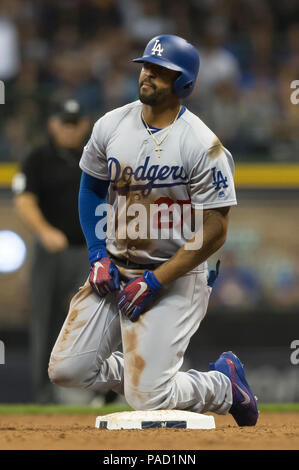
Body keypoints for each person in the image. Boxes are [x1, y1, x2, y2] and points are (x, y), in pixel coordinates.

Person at [48, 35, 258, 426]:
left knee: (148, 398)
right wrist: (97, 255)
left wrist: (157, 281)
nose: (148, 75)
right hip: (115, 268)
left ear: (185, 85)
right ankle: (146, 377)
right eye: (147, 66)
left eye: (162, 72)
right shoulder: (112, 124)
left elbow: (216, 229)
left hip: (176, 272)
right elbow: (91, 188)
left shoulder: (201, 144)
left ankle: (222, 385)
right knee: (66, 371)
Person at [13, 99, 91, 403]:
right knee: (44, 320)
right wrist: (44, 231)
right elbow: (23, 199)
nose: (70, 129)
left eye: (75, 123)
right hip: (52, 252)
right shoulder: (38, 158)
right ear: (52, 124)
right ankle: (44, 396)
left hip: (88, 252)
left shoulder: (94, 157)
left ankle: (98, 392)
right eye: (64, 122)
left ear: (84, 125)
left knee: (92, 320)